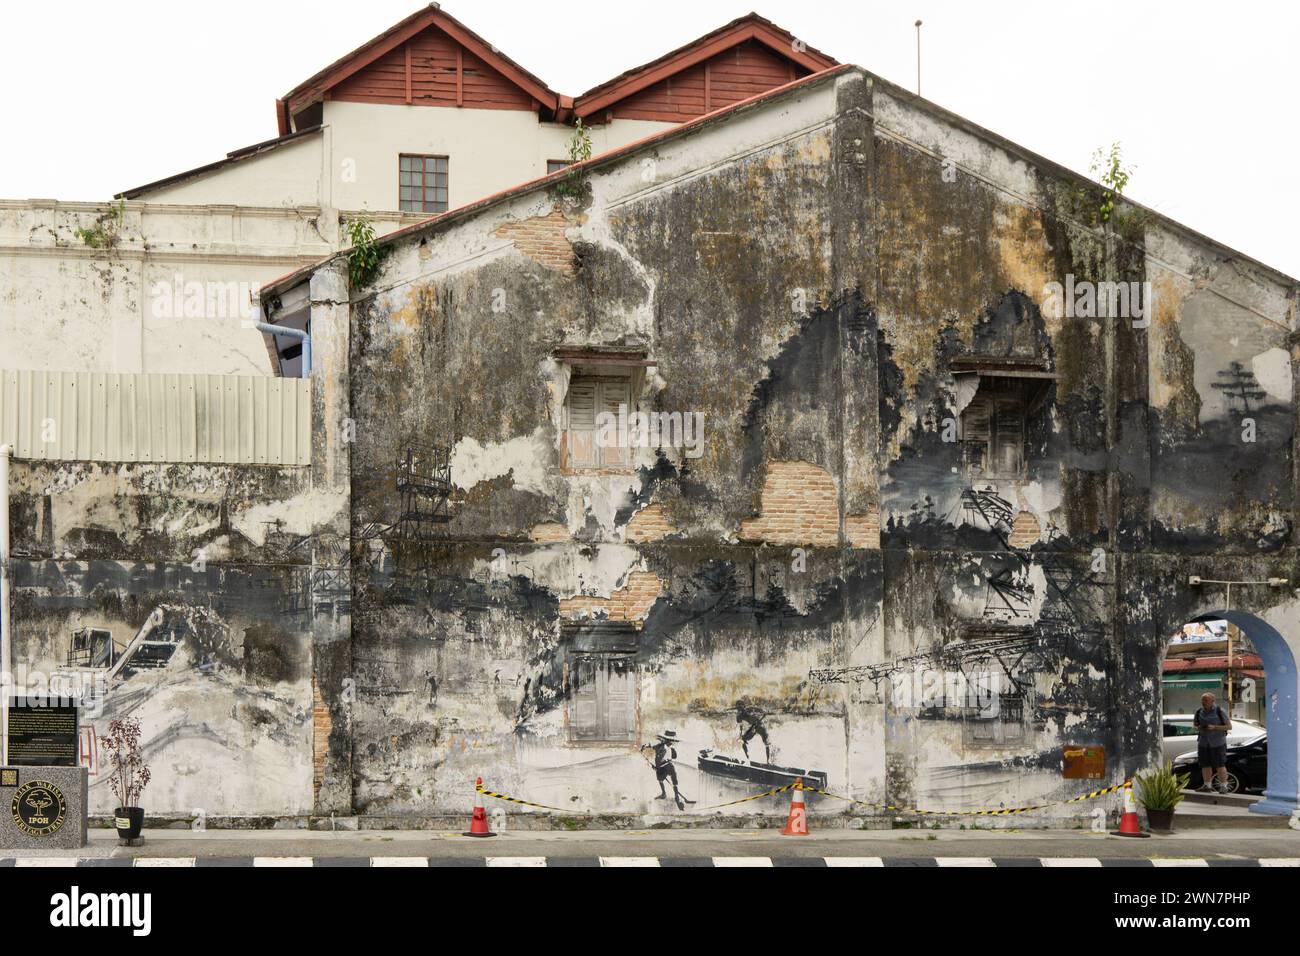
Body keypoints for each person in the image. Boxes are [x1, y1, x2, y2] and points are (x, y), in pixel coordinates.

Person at [641, 731, 695, 810]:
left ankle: (676, 797)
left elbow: (672, 757)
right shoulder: (661, 746)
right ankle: (665, 794)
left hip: (666, 767)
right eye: (671, 742)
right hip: (665, 766)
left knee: (671, 782)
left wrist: (657, 767)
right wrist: (645, 747)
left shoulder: (667, 747)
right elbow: (652, 749)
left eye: (672, 742)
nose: (672, 743)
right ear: (667, 740)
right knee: (663, 780)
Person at [1193, 692, 1233, 792]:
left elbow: (1229, 726)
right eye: (1202, 700)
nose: (1203, 702)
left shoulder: (1220, 711)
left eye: (1206, 700)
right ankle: (1207, 785)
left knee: (1220, 764)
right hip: (1203, 742)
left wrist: (1214, 727)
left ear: (1212, 701)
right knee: (1205, 764)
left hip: (1218, 742)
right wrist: (1198, 727)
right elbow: (1194, 725)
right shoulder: (1198, 712)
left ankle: (1224, 786)